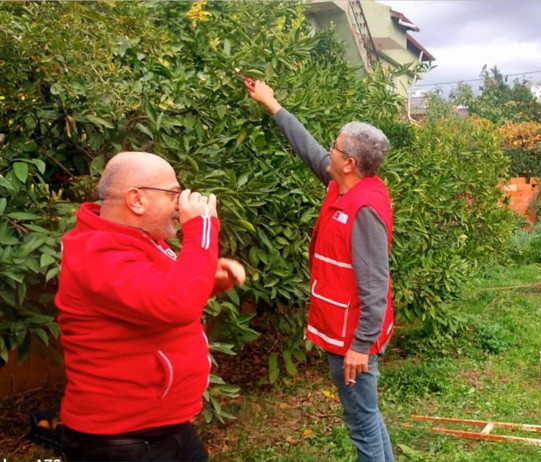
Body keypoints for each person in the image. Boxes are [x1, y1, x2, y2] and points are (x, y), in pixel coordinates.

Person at [56, 151, 245, 461]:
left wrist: (208, 280)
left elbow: (155, 296)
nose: (179, 202)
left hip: (163, 427)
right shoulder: (97, 251)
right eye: (172, 192)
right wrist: (203, 228)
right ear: (136, 200)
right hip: (120, 441)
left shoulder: (137, 241)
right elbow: (174, 305)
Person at [246, 80, 395, 462]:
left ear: (349, 163)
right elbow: (308, 149)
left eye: (336, 145)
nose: (328, 148)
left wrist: (360, 346)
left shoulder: (363, 209)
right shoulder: (342, 185)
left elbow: (376, 284)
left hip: (351, 336)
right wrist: (272, 104)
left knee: (361, 424)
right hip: (341, 327)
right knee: (367, 416)